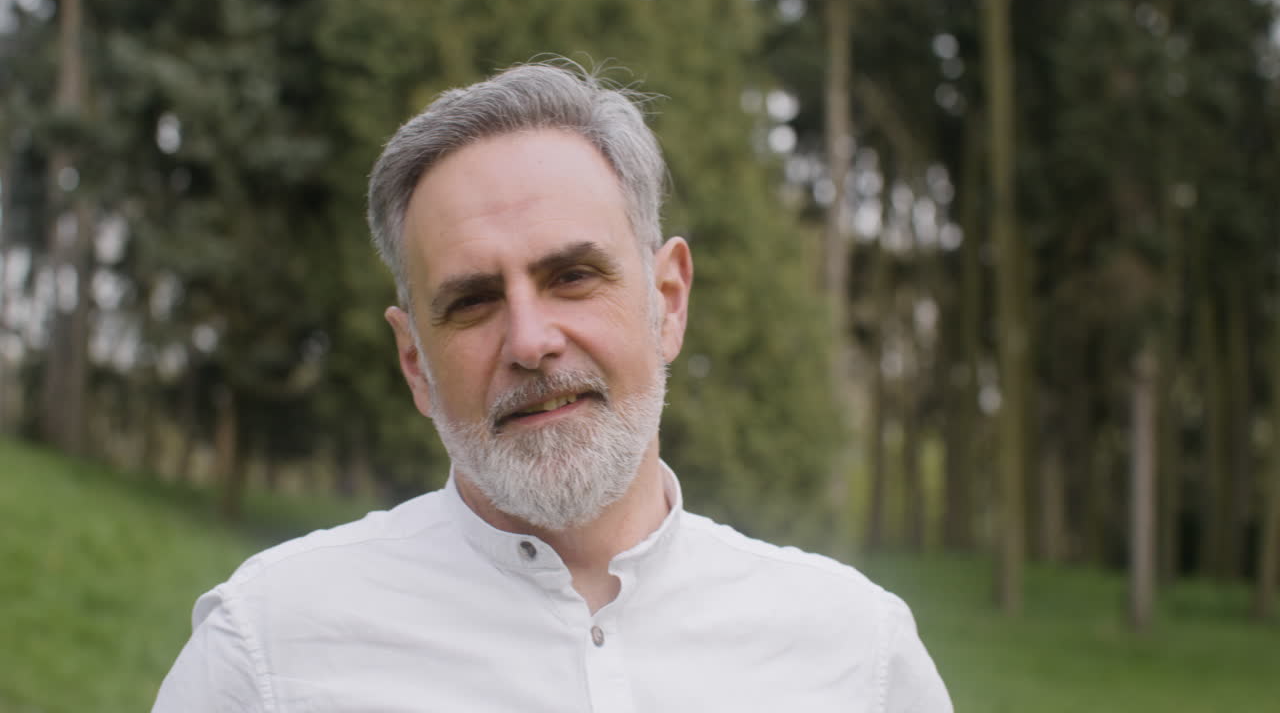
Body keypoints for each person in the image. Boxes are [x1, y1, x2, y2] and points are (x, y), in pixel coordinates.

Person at [153, 60, 952, 712]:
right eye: (472, 302)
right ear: (414, 364)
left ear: (667, 302)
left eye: (573, 276)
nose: (531, 342)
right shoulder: (268, 653)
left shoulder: (857, 657)